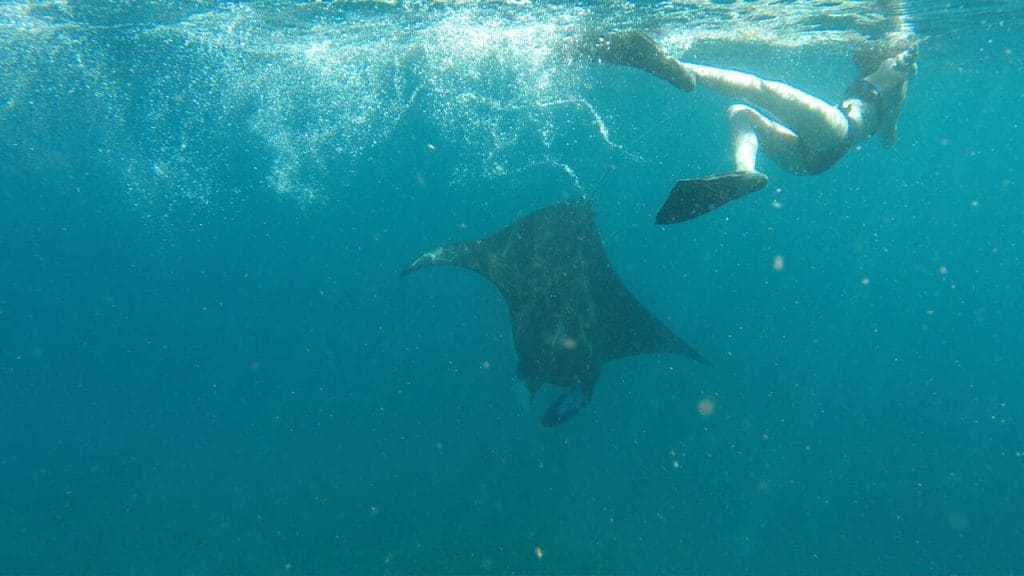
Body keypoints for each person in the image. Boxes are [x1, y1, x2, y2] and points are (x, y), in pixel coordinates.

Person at [584, 31, 918, 224]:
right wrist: (885, 122)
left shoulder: (898, 68)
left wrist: (898, 71)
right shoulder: (889, 85)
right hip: (811, 159)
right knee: (741, 113)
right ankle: (745, 173)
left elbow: (899, 57)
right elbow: (889, 139)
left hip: (839, 131)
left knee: (764, 89)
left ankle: (682, 71)